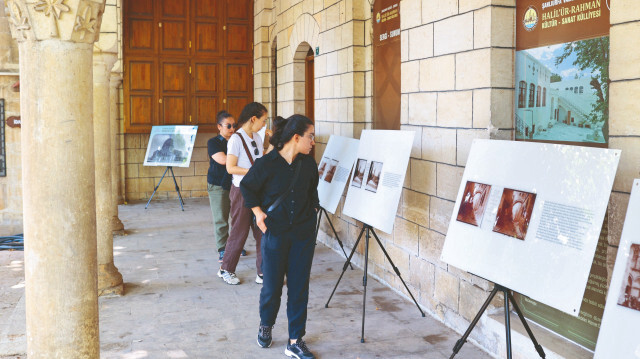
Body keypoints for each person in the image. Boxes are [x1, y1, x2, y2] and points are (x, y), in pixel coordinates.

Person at [240, 114, 319, 359]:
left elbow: (312, 192)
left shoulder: (308, 164)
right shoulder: (267, 163)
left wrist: (312, 212)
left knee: (299, 287)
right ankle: (266, 325)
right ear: (296, 137)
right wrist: (258, 214)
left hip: (302, 235)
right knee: (272, 287)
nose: (313, 141)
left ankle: (295, 340)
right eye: (310, 136)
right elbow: (247, 187)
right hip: (275, 233)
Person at [218, 102, 268, 285]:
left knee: (262, 230)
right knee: (239, 231)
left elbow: (259, 159)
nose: (264, 125)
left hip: (258, 190)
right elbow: (231, 168)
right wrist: (253, 172)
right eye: (263, 120)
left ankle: (263, 271)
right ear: (253, 119)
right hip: (241, 191)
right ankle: (226, 269)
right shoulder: (235, 139)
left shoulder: (257, 137)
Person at [207, 111, 235, 262]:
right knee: (221, 219)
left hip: (235, 183)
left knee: (237, 218)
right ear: (219, 126)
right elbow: (223, 160)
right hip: (218, 185)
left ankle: (234, 246)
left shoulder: (236, 140)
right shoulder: (214, 142)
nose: (232, 129)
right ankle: (223, 249)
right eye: (228, 126)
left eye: (234, 126)